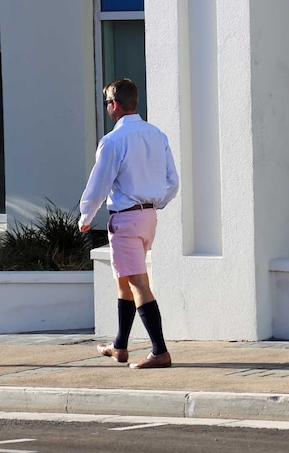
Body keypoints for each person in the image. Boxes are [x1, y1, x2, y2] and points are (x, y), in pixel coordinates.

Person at [78, 78, 179, 369]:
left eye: (107, 102)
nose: (107, 107)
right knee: (124, 280)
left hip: (126, 219)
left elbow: (99, 184)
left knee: (137, 284)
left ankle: (160, 351)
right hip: (148, 218)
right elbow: (172, 181)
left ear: (116, 105)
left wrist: (86, 216)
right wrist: (154, 204)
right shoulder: (156, 135)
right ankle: (119, 346)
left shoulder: (113, 140)